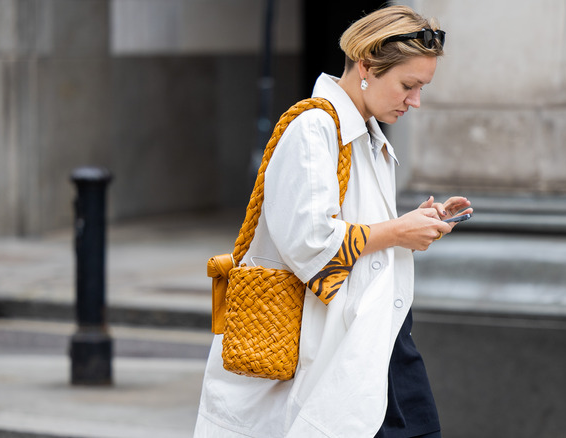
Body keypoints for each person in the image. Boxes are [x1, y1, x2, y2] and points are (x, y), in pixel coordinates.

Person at [194, 5, 471, 437]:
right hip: (330, 348)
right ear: (367, 66)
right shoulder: (314, 129)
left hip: (379, 338)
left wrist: (416, 222)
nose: (415, 101)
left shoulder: (366, 133)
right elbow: (310, 242)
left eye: (421, 88)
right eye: (408, 85)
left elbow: (356, 227)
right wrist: (399, 231)